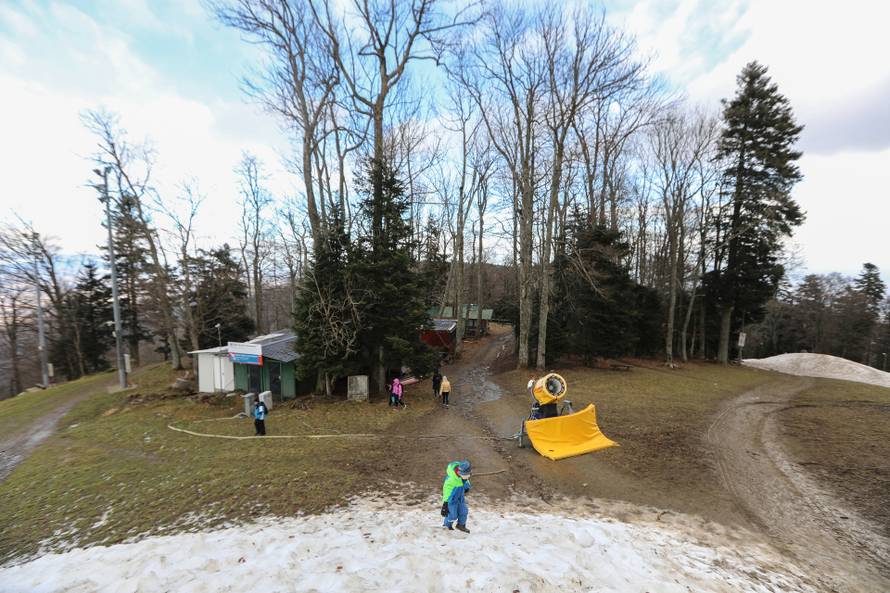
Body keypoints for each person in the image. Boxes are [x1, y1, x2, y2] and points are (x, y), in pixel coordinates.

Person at [441, 460, 471, 533]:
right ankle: (447, 526)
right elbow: (446, 491)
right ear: (460, 473)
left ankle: (461, 525)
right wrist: (445, 503)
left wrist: (467, 486)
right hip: (451, 500)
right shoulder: (451, 480)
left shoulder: (464, 475)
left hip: (460, 498)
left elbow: (466, 480)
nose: (466, 477)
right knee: (452, 515)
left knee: (464, 512)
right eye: (465, 476)